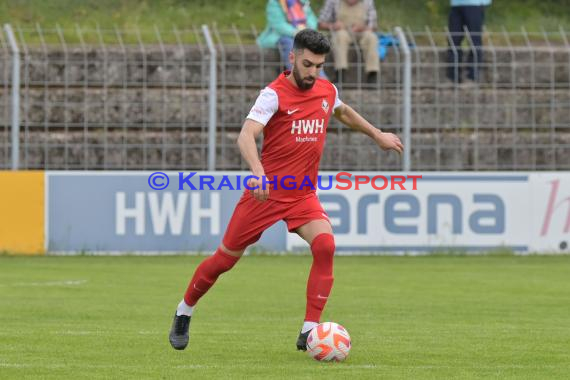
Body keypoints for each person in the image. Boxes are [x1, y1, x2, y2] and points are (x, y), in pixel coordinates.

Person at [169, 29, 403, 352]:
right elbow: (246, 135)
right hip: (265, 194)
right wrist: (259, 173)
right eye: (307, 64)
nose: (312, 72)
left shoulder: (326, 90)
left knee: (325, 245)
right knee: (224, 260)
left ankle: (309, 331)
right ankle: (184, 310)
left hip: (302, 195)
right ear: (292, 57)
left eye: (319, 66)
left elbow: (343, 111)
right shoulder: (273, 95)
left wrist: (377, 135)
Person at [318, 0, 379, 84]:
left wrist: (363, 27)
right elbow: (320, 23)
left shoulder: (368, 2)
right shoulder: (332, 1)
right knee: (340, 36)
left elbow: (374, 26)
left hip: (361, 32)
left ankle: (372, 74)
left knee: (371, 37)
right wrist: (333, 26)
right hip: (342, 31)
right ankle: (340, 73)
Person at [256, 0, 319, 72]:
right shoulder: (275, 3)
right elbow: (278, 24)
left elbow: (312, 20)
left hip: (304, 34)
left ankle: (319, 77)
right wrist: (297, 33)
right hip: (283, 36)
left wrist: (306, 31)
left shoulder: (302, 2)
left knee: (313, 44)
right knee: (290, 44)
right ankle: (297, 74)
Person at [446, 0, 492, 84]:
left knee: (475, 41)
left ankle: (472, 77)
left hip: (475, 4)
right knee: (453, 40)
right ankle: (452, 77)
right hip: (456, 5)